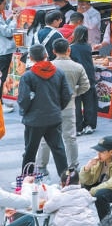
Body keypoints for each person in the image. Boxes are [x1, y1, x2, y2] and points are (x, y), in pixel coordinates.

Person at [18, 44, 71, 178]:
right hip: (54, 117)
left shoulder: (28, 76)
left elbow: (23, 99)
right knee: (59, 149)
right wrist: (58, 108)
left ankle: (27, 180)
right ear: (46, 55)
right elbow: (67, 95)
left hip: (34, 120)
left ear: (30, 58)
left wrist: (25, 112)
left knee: (30, 151)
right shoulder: (58, 72)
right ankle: (66, 180)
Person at [36, 39, 89, 173]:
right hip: (69, 106)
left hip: (49, 107)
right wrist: (73, 93)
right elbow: (86, 86)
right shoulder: (78, 67)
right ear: (68, 50)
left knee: (45, 137)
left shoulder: (48, 66)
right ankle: (73, 166)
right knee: (70, 137)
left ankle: (42, 166)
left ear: (53, 51)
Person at [70, 26, 98, 135]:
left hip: (76, 77)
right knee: (89, 101)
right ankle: (89, 125)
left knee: (76, 102)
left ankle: (78, 127)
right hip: (89, 75)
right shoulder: (87, 47)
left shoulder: (71, 47)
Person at [0, 0, 18, 113]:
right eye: (4, 4)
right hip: (3, 51)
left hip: (3, 50)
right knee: (2, 78)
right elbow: (7, 32)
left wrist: (10, 19)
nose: (5, 6)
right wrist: (15, 21)